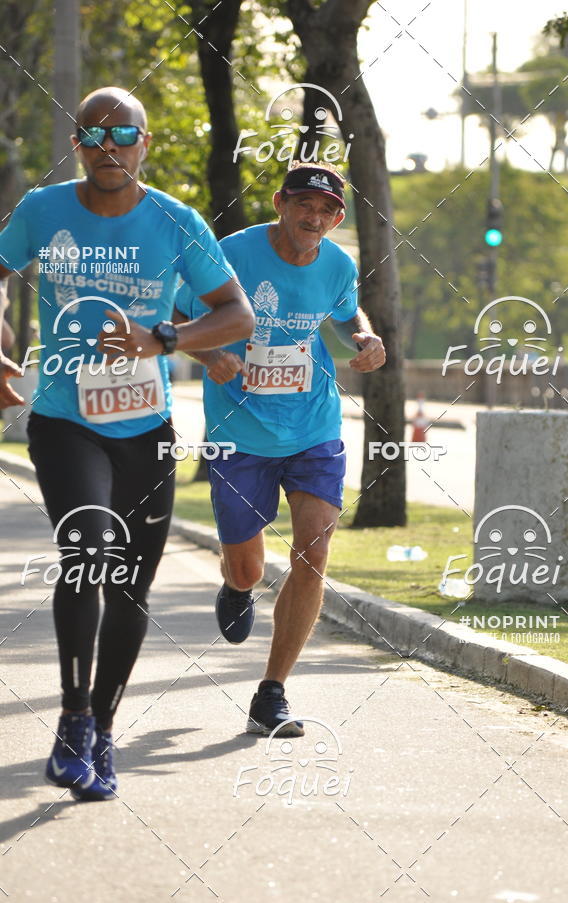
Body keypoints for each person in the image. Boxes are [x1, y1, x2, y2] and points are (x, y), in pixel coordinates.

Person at [0, 86, 254, 799]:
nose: (107, 147)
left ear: (145, 144)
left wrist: (164, 338)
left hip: (147, 430)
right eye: (93, 134)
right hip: (66, 420)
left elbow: (236, 314)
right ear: (76, 144)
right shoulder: (41, 210)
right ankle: (72, 721)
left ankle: (104, 730)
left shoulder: (177, 222)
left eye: (122, 134)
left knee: (131, 588)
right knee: (88, 554)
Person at [173, 162, 386, 737]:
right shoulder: (232, 253)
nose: (315, 218)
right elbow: (173, 309)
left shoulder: (338, 263)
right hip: (240, 433)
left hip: (314, 427)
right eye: (304, 205)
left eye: (328, 210)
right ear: (281, 204)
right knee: (248, 569)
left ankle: (272, 692)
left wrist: (364, 336)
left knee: (313, 555)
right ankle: (236, 585)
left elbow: (346, 312)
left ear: (337, 218)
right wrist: (207, 355)